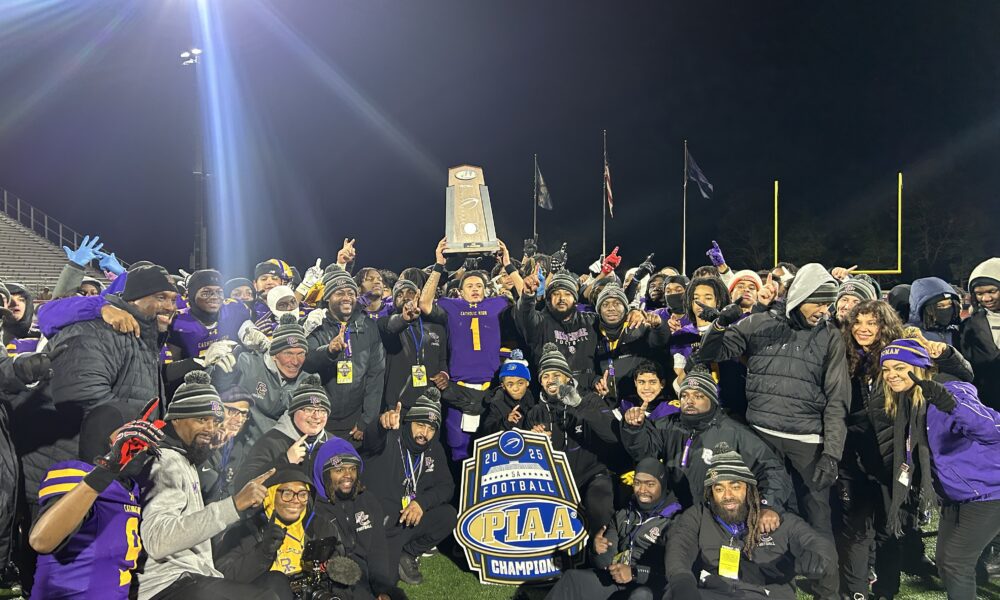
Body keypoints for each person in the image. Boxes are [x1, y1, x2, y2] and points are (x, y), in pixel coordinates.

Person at [697, 263, 848, 599]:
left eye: (828, 303)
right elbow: (710, 352)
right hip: (760, 438)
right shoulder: (758, 323)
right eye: (817, 302)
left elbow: (838, 400)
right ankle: (761, 583)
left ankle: (829, 592)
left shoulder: (831, 337)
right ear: (798, 297)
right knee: (756, 513)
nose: (823, 310)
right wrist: (722, 321)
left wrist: (832, 454)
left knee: (817, 520)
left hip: (807, 443)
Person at [137, 371, 281, 600]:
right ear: (176, 418)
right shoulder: (165, 461)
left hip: (189, 577)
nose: (210, 428)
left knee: (276, 583)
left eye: (214, 421)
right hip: (165, 585)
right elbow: (158, 540)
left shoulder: (185, 460)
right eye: (201, 419)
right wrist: (234, 505)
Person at [879, 338, 1000, 600]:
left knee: (956, 563)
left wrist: (951, 405)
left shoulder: (951, 390)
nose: (891, 375)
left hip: (989, 492)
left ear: (920, 367)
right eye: (886, 369)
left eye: (899, 367)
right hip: (956, 495)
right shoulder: (908, 401)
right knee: (946, 564)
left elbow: (992, 431)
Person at [29, 401, 163, 599]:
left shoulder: (129, 488)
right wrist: (105, 472)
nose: (137, 447)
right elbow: (42, 541)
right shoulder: (76, 474)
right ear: (101, 434)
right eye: (128, 436)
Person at [664, 450, 835, 600]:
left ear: (749, 490)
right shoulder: (700, 515)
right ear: (711, 493)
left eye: (735, 486)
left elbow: (814, 541)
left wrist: (818, 556)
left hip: (767, 594)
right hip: (718, 592)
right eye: (719, 489)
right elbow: (680, 546)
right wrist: (682, 580)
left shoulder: (776, 519)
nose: (727, 495)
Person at [620, 370, 791, 517]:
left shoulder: (734, 432)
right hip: (672, 513)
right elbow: (644, 454)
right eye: (685, 395)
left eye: (698, 396)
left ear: (712, 399)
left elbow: (772, 468)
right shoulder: (667, 425)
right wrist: (634, 429)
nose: (690, 401)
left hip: (715, 517)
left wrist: (768, 505)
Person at [418, 237, 523, 461]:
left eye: (479, 286)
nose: (475, 290)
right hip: (458, 390)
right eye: (469, 286)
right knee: (458, 451)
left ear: (486, 290)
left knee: (494, 450)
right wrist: (439, 265)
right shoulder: (451, 305)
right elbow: (425, 305)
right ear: (461, 291)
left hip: (491, 391)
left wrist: (508, 264)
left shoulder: (496, 304)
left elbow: (528, 296)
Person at [546, 458, 683, 600]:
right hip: (619, 581)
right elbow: (605, 563)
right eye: (637, 483)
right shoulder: (624, 514)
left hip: (653, 587)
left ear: (663, 485)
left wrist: (635, 573)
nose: (642, 490)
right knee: (573, 579)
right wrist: (598, 550)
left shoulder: (676, 521)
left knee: (640, 596)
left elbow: (677, 573)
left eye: (650, 484)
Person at [360, 388, 456, 585]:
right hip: (381, 526)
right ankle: (391, 557)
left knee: (448, 516)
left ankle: (408, 554)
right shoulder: (389, 437)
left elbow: (447, 486)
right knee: (384, 582)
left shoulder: (433, 448)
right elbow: (371, 440)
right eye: (420, 425)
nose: (425, 433)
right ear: (409, 421)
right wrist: (380, 423)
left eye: (431, 428)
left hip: (408, 521)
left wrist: (422, 502)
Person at [526, 343, 619, 537]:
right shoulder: (536, 412)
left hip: (592, 475)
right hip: (555, 481)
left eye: (556, 375)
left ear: (568, 377)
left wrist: (579, 405)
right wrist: (536, 443)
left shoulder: (590, 400)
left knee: (599, 507)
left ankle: (602, 557)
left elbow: (611, 436)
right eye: (545, 376)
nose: (551, 381)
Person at [308, 437, 402, 600]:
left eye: (352, 469)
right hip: (335, 579)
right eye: (339, 470)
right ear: (325, 475)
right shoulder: (314, 510)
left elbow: (377, 549)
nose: (348, 476)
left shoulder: (368, 500)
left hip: (368, 573)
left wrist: (382, 588)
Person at [303, 268, 386, 444]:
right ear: (327, 298)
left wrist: (367, 419)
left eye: (351, 293)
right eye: (339, 293)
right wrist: (328, 351)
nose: (347, 297)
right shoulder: (316, 324)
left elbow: (375, 375)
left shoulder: (369, 326)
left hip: (355, 421)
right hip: (319, 417)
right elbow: (306, 361)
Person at [215, 466, 315, 600]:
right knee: (276, 580)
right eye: (287, 493)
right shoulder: (244, 532)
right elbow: (223, 578)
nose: (296, 500)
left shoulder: (318, 528)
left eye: (303, 494)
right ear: (271, 495)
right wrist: (263, 552)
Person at [211, 314, 310, 444]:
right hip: (239, 448)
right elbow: (217, 389)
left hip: (279, 451)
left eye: (301, 353)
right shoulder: (247, 364)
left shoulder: (306, 381)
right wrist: (220, 374)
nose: (296, 361)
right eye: (288, 353)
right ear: (274, 354)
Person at [233, 374, 333, 492]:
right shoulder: (271, 442)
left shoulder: (334, 445)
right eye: (309, 410)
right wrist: (285, 460)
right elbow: (242, 485)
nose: (316, 416)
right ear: (294, 411)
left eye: (322, 411)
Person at [377, 278, 448, 412]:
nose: (404, 297)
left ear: (418, 295)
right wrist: (404, 318)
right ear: (393, 301)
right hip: (397, 406)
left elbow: (442, 360)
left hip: (429, 403)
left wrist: (444, 374)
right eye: (399, 294)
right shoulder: (384, 324)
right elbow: (392, 326)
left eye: (410, 292)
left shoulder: (437, 328)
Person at [166, 269, 251, 360]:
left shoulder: (233, 309)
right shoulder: (177, 322)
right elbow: (172, 367)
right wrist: (202, 362)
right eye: (206, 293)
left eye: (219, 292)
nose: (215, 297)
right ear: (192, 296)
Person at [201, 387, 256, 503]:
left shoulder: (238, 447)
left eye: (244, 414)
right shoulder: (199, 439)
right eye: (232, 411)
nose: (239, 420)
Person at [960, 257, 1000, 409]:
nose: (986, 298)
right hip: (985, 406)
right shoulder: (968, 326)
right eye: (979, 293)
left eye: (992, 291)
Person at [481, 349, 537, 434]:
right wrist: (506, 421)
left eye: (520, 383)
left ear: (527, 383)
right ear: (503, 386)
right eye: (510, 384)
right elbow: (486, 430)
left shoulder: (536, 400)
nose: (515, 388)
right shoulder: (497, 404)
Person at [907, 276, 962, 345]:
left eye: (950, 304)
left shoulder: (956, 331)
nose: (947, 309)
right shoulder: (911, 336)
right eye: (940, 306)